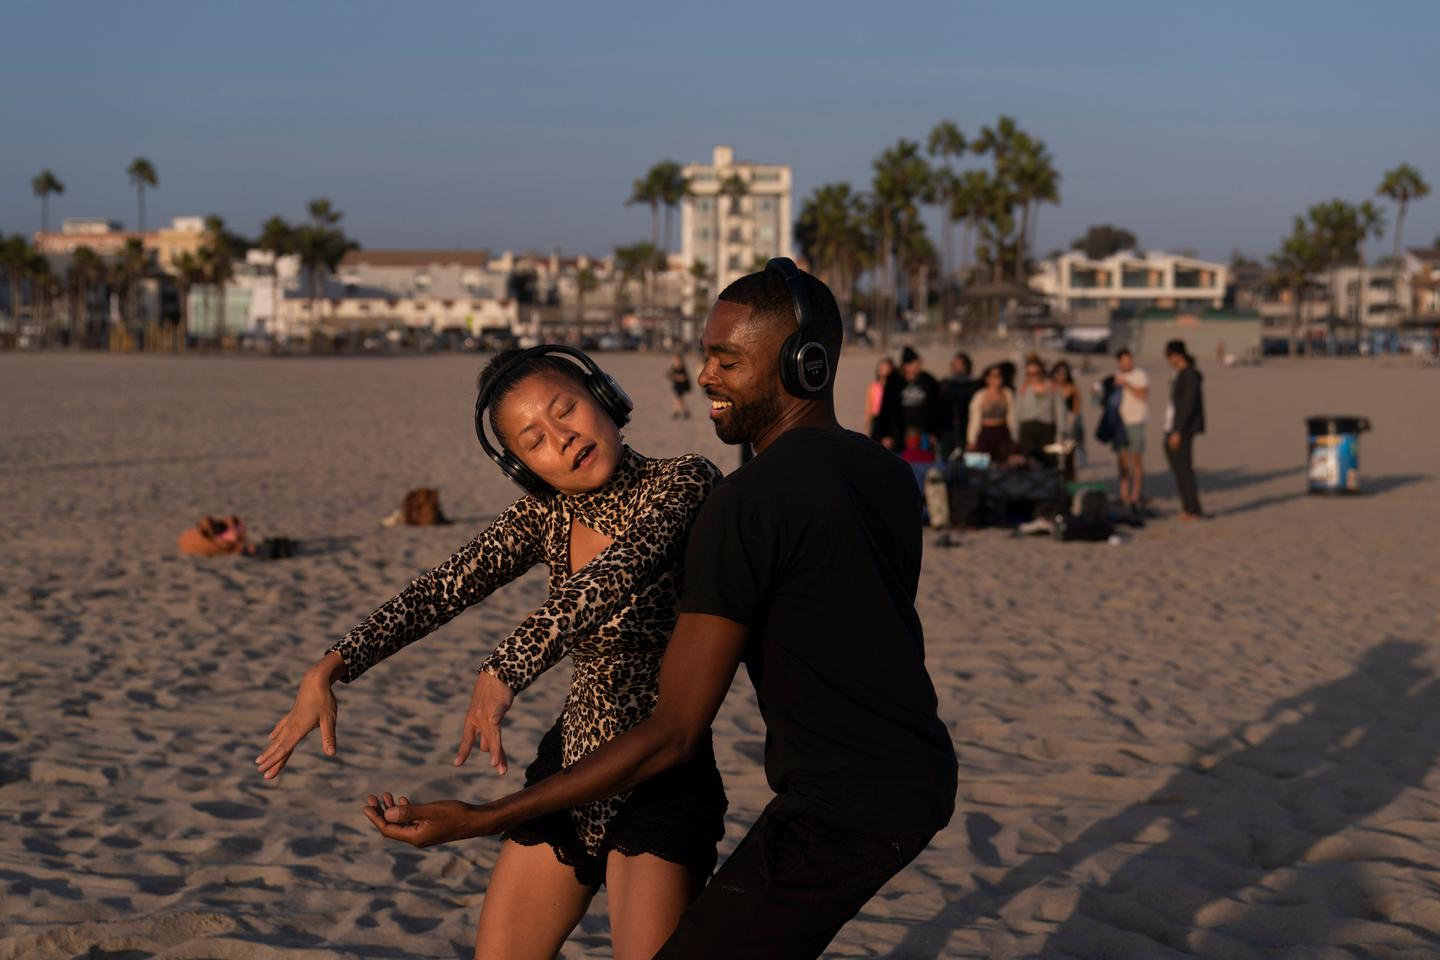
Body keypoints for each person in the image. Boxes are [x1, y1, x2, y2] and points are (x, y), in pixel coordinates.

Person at [362, 262, 958, 960]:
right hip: (898, 777)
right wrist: (336, 665)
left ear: (805, 364)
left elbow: (675, 729)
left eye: (727, 360)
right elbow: (447, 584)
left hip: (838, 803)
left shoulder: (737, 502)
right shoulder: (884, 473)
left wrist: (484, 813)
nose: (705, 377)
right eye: (708, 357)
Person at [257, 346, 728, 960]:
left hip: (659, 769)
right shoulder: (545, 513)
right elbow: (440, 589)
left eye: (567, 410)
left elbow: (615, 573)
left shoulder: (685, 481)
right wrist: (331, 666)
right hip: (569, 768)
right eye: (534, 440)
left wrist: (507, 665)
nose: (562, 439)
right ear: (523, 467)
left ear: (606, 398)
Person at [1163, 338, 1206, 520]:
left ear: (1177, 355)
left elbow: (1187, 405)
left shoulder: (1189, 375)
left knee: (1184, 470)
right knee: (1179, 469)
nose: (1168, 360)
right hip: (1173, 426)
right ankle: (1189, 507)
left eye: (1170, 356)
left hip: (1182, 429)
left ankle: (1192, 508)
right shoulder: (1179, 374)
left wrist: (1177, 431)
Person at [892, 345, 943, 463]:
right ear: (906, 365)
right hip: (901, 432)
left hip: (924, 432)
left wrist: (934, 432)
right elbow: (889, 410)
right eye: (915, 364)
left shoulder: (928, 381)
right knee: (902, 461)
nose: (918, 366)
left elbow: (936, 409)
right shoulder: (895, 382)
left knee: (923, 460)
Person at [1113, 347, 1150, 510]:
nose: (1127, 363)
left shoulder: (1140, 374)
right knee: (1122, 460)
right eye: (1123, 361)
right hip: (1120, 423)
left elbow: (1142, 394)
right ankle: (1123, 493)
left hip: (1136, 421)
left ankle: (1136, 493)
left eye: (1129, 360)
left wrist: (1126, 383)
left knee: (1136, 459)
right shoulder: (1116, 376)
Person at [966, 363, 1018, 460]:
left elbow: (1012, 416)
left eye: (999, 375)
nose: (998, 379)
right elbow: (974, 419)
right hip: (986, 433)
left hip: (1002, 432)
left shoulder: (1007, 393)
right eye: (994, 376)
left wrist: (1014, 437)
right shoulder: (980, 395)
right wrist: (971, 440)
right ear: (987, 379)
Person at [1014, 354, 1058, 461]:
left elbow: (1059, 412)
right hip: (1027, 428)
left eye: (1036, 373)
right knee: (1028, 460)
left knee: (1048, 459)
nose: (1033, 376)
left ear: (1042, 372)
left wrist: (1060, 433)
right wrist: (1015, 434)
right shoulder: (1023, 388)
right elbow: (1017, 412)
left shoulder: (1052, 387)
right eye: (1029, 374)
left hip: (1047, 428)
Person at [939, 351, 978, 461]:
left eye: (959, 363)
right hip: (948, 428)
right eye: (954, 363)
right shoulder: (946, 385)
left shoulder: (973, 385)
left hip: (966, 427)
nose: (955, 366)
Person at [1049, 359, 1083, 482]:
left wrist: (1071, 423)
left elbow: (1076, 410)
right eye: (1058, 373)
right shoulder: (1050, 388)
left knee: (1068, 456)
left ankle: (1069, 481)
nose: (1060, 376)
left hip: (1068, 423)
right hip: (1052, 423)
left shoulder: (1072, 389)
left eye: (1063, 373)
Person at [864, 356, 896, 444]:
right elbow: (869, 407)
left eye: (887, 368)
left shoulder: (895, 386)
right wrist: (867, 427)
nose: (884, 371)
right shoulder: (873, 386)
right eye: (882, 368)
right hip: (877, 419)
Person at [666, 352, 692, 419]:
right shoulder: (674, 367)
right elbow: (670, 375)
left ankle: (679, 412)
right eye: (674, 359)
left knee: (679, 400)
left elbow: (683, 378)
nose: (675, 361)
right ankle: (682, 412)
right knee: (678, 400)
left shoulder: (682, 368)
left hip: (681, 386)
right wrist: (670, 376)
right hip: (676, 386)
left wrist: (675, 377)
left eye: (676, 359)